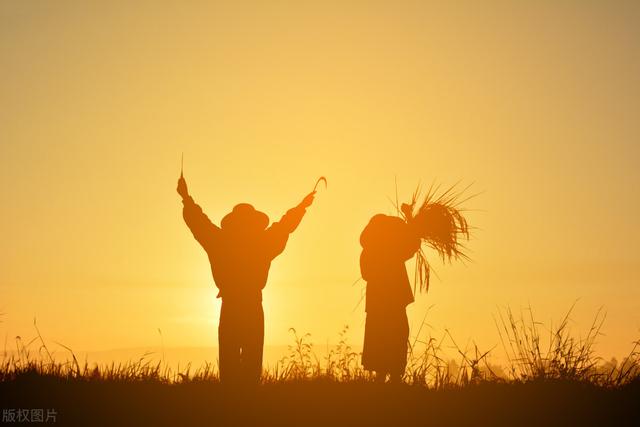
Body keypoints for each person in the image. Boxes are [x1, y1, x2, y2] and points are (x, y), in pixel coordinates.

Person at [177, 174, 315, 384]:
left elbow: (199, 223)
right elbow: (285, 225)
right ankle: (249, 405)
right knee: (251, 364)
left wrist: (186, 198)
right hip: (252, 305)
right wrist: (302, 207)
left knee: (229, 364)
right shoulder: (262, 242)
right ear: (255, 223)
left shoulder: (220, 242)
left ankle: (231, 405)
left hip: (231, 306)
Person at [359, 213, 421, 383]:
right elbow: (413, 243)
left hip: (376, 305)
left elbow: (365, 274)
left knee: (378, 337)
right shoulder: (394, 252)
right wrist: (410, 218)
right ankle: (394, 377)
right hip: (393, 305)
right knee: (396, 336)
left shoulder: (369, 252)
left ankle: (381, 377)